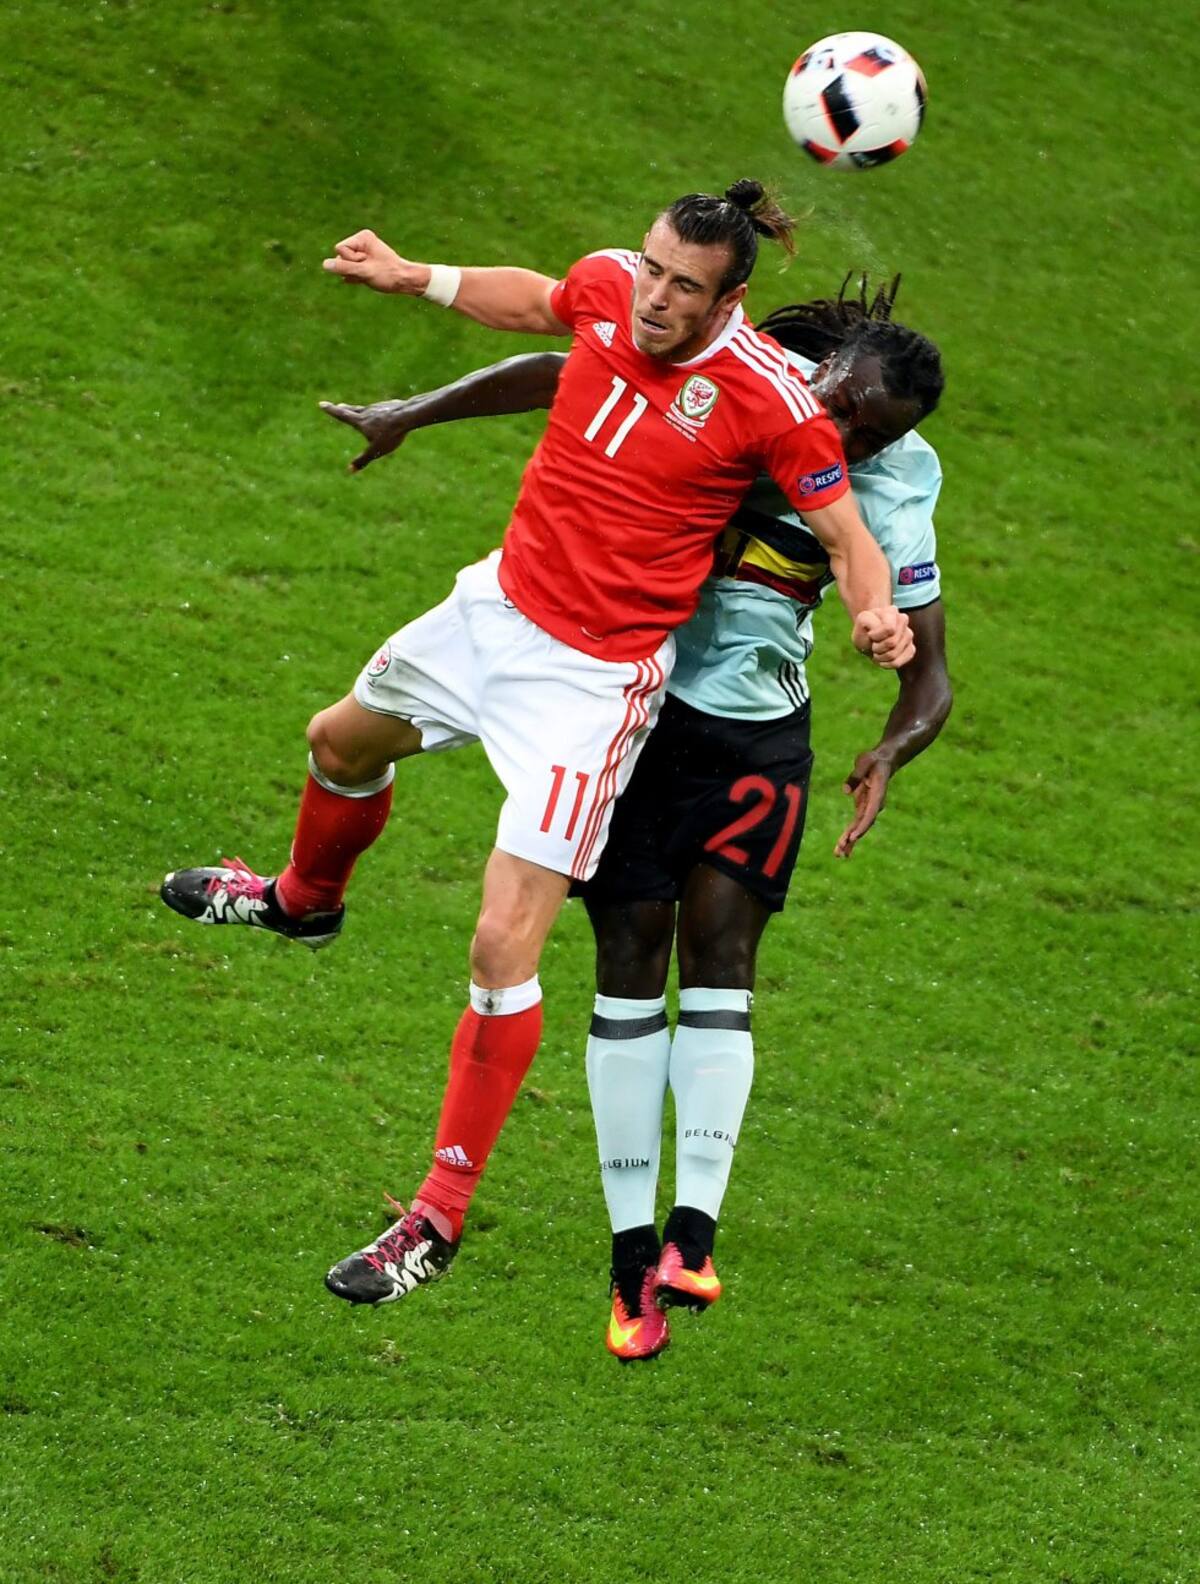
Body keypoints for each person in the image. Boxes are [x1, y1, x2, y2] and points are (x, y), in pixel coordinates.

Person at [160, 184, 915, 1310]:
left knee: (501, 946)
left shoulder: (768, 402)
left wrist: (872, 612)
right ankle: (305, 900)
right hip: (494, 612)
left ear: (732, 300)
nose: (655, 299)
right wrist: (415, 274)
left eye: (685, 289)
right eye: (654, 271)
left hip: (591, 685)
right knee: (338, 742)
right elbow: (541, 305)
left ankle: (435, 1217)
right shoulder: (615, 281)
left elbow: (845, 530)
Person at [321, 276, 950, 1358]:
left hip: (758, 739)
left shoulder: (897, 482)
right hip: (634, 707)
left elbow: (906, 629)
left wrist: (891, 727)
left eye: (873, 432)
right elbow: (564, 369)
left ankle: (689, 1239)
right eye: (842, 407)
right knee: (625, 956)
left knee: (723, 958)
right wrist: (416, 410)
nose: (847, 434)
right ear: (826, 374)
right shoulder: (746, 386)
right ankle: (627, 1264)